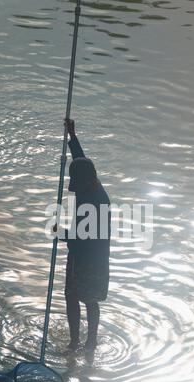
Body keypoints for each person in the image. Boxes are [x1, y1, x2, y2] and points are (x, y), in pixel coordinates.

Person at [55, 118, 110, 352]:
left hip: (91, 259)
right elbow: (80, 158)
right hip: (79, 256)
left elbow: (84, 237)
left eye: (74, 181)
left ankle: (90, 342)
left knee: (89, 299)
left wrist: (62, 233)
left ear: (84, 181)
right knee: (71, 297)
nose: (71, 186)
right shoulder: (88, 183)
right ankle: (75, 341)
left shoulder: (97, 201)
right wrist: (72, 136)